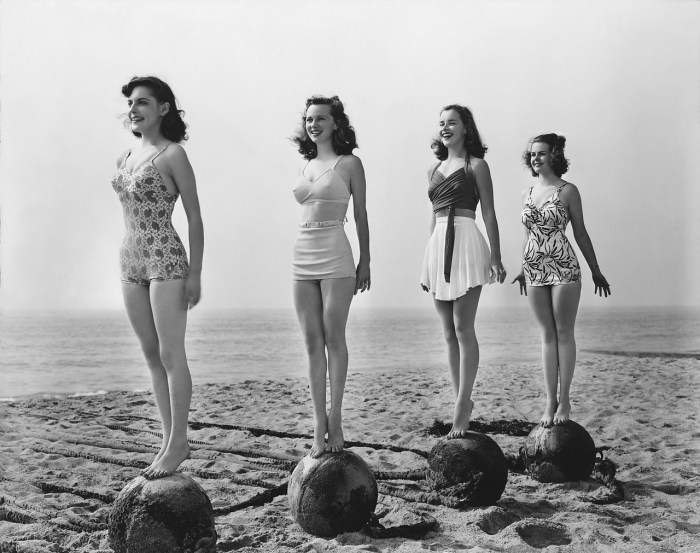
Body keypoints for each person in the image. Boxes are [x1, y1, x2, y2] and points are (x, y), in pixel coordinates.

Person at [111, 76, 203, 479]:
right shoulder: (124, 157)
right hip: (130, 260)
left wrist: (196, 273)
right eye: (131, 103)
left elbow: (195, 217)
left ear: (163, 108)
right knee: (151, 355)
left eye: (142, 102)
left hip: (165, 258)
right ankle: (168, 442)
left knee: (170, 353)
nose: (134, 109)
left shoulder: (173, 154)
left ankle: (179, 440)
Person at [513, 133, 610, 427]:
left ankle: (565, 399)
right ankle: (550, 402)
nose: (536, 158)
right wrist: (522, 268)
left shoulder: (568, 191)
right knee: (546, 335)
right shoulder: (526, 192)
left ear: (554, 156)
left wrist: (595, 269)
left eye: (542, 153)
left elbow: (580, 231)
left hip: (563, 265)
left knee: (564, 333)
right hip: (534, 268)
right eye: (532, 154)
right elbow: (528, 235)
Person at [420, 104, 506, 439]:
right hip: (439, 244)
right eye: (441, 123)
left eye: (452, 122)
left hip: (467, 241)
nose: (444, 128)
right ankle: (461, 401)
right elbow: (433, 216)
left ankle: (461, 406)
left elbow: (490, 213)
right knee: (447, 332)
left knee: (463, 327)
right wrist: (428, 260)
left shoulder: (477, 166)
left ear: (466, 128)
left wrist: (496, 257)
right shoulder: (433, 168)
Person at [291, 96, 370, 458]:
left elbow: (361, 213)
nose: (314, 124)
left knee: (333, 337)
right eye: (309, 119)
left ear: (336, 123)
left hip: (336, 251)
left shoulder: (350, 163)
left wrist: (365, 261)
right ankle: (317, 423)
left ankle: (335, 418)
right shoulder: (306, 164)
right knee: (311, 342)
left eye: (321, 118)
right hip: (302, 252)